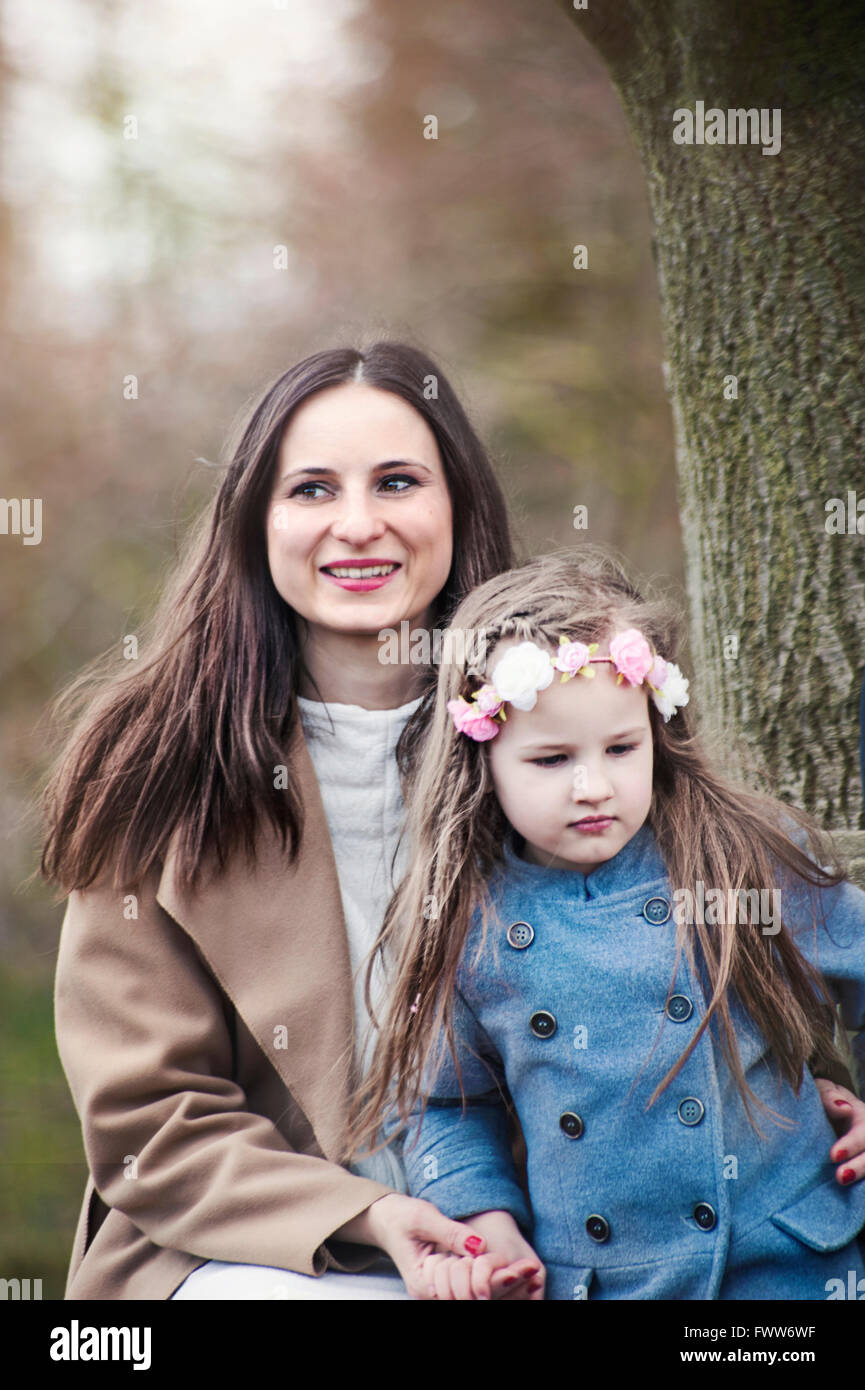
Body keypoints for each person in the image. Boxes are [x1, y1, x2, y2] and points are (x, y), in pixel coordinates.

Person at [41, 340, 544, 1300]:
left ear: (458, 508)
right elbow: (151, 1125)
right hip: (253, 1258)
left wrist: (788, 1092)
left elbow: (685, 945)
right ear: (255, 524)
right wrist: (365, 1215)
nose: (358, 525)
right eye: (311, 490)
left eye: (397, 482)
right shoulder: (158, 769)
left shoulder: (563, 730)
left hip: (525, 1238)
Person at [350, 547, 865, 1300]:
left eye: (621, 748)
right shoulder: (470, 920)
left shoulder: (737, 856)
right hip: (597, 1284)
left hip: (788, 1265)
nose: (593, 787)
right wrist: (485, 1222)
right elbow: (445, 1105)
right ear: (482, 759)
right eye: (551, 759)